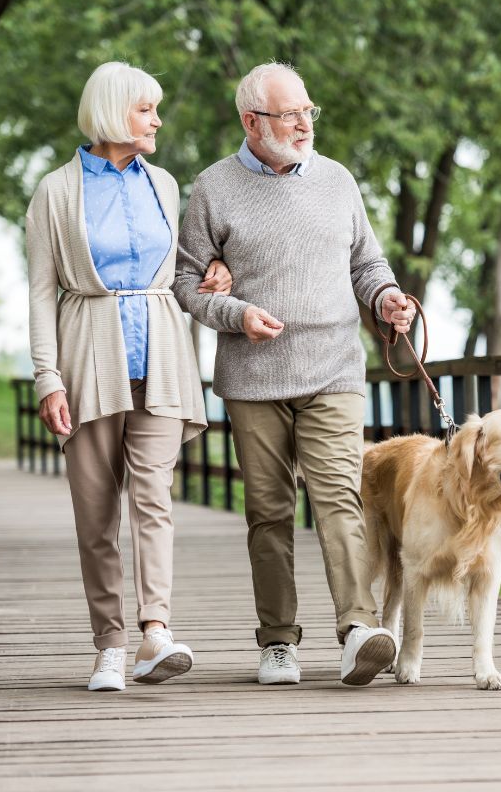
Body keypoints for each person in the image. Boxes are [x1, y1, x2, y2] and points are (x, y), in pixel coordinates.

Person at [172, 62, 416, 687]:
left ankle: (357, 629)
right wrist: (234, 312)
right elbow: (183, 282)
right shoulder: (211, 189)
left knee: (339, 497)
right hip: (253, 378)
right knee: (269, 511)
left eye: (309, 111)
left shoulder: (337, 180)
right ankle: (278, 641)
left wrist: (386, 297)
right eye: (290, 115)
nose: (305, 124)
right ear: (251, 122)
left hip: (334, 367)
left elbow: (366, 261)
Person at [27, 61, 230, 691]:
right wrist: (46, 377)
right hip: (87, 354)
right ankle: (108, 645)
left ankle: (154, 632)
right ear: (116, 112)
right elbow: (39, 294)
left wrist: (214, 271)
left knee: (154, 500)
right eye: (147, 110)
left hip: (164, 354)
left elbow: (181, 267)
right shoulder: (55, 192)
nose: (157, 121)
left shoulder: (166, 184)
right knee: (95, 511)